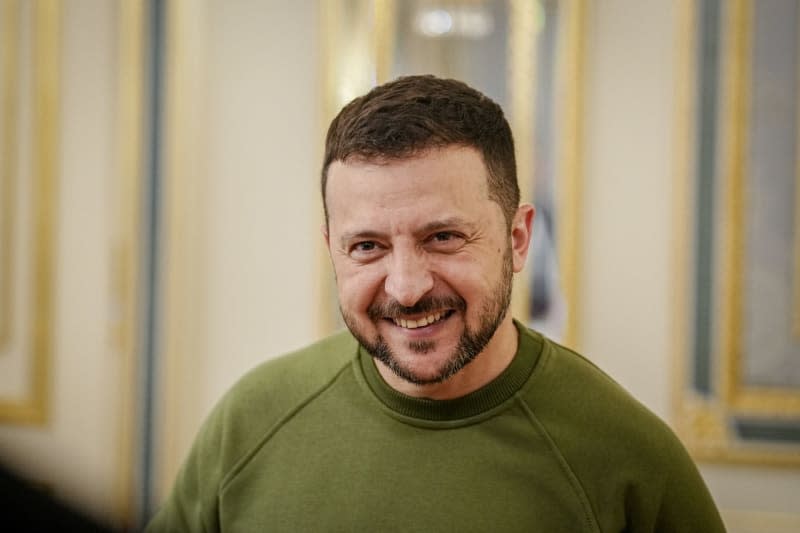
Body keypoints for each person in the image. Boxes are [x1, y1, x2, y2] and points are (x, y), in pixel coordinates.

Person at [147, 75, 726, 532]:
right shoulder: (250, 422)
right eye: (367, 246)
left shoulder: (628, 459)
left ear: (518, 238)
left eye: (443, 237)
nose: (405, 287)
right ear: (332, 250)